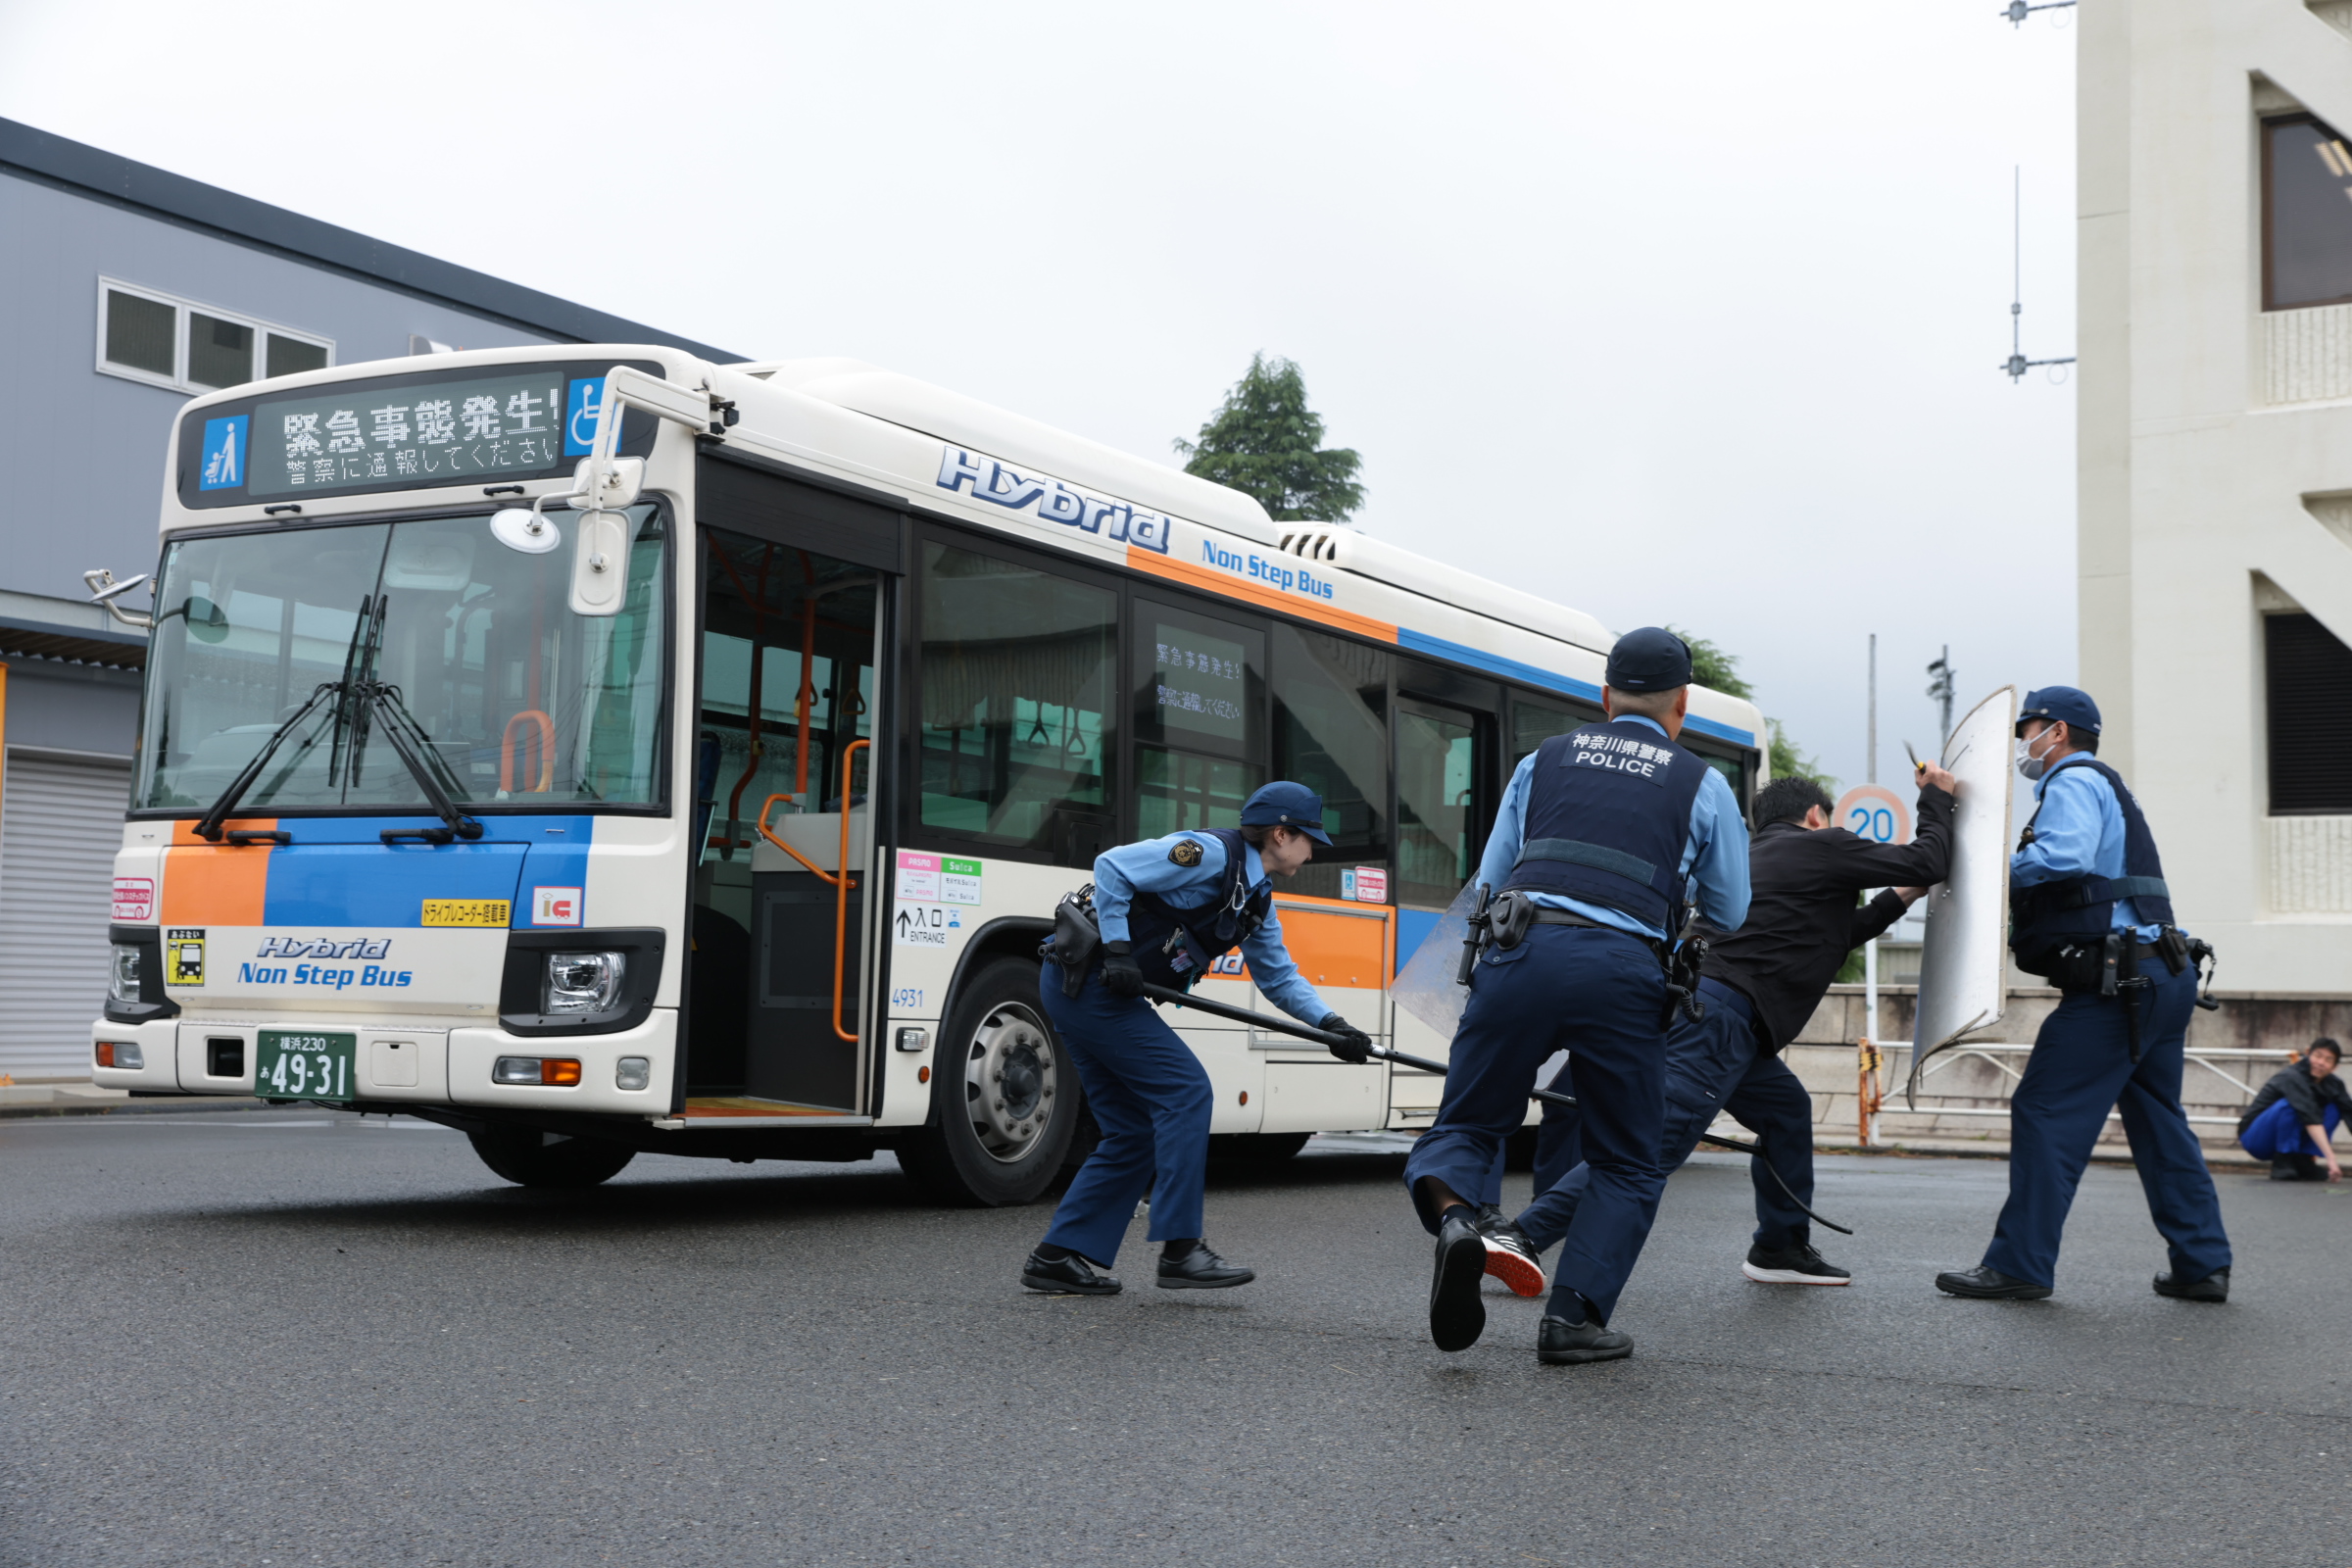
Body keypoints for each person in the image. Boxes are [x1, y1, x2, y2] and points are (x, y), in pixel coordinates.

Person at [1399, 627, 1750, 1365]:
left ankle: (1459, 1224)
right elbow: (1731, 906)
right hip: (1623, 973)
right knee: (1627, 1158)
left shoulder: (1543, 760)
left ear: (1605, 696)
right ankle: (1573, 1320)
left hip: (1521, 953)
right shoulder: (1703, 783)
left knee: (1469, 1121)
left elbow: (1492, 874)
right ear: (1682, 704)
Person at [1480, 763, 1955, 1298]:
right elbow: (1930, 859)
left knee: (1786, 1112)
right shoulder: (1822, 846)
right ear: (1814, 816)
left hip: (1696, 1009)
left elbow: (1831, 935)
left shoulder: (1751, 860)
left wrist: (1902, 896)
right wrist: (1936, 798)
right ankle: (1521, 1235)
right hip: (1719, 1022)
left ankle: (1780, 1246)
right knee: (1647, 1150)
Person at [1935, 686, 2233, 1304]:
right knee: (2159, 1120)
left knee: (2045, 1109)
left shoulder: (2071, 779)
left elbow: (2063, 858)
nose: (2022, 743)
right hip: (2165, 975)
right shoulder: (2110, 785)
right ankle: (2202, 1263)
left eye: (2028, 730)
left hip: (2118, 986)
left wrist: (1982, 869)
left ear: (2058, 732)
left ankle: (2020, 1264)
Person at [1020, 781, 1374, 1297]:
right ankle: (1181, 1248)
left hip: (1093, 991)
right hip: (1089, 982)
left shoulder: (1257, 899)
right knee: (1186, 1090)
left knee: (1134, 1131)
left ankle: (1057, 1256)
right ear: (1280, 834)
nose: (1313, 851)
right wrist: (1118, 950)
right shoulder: (1208, 854)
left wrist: (1333, 1026)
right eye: (1309, 839)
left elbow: (1278, 977)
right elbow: (1112, 866)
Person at [2237, 1039, 2350, 1182]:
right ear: (2308, 1054)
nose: (2321, 1063)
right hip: (2257, 1138)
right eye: (2318, 1056)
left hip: (2295, 1138)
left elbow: (2349, 1113)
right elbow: (2310, 1117)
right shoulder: (2292, 1076)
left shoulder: (2335, 1084)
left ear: (2335, 1067)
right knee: (2289, 1105)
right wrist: (2331, 1159)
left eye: (2328, 1060)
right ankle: (2283, 1160)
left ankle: (2304, 1160)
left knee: (2334, 1108)